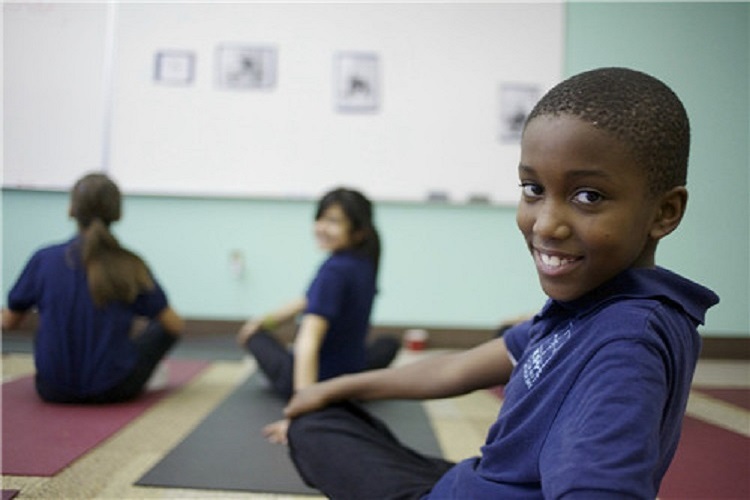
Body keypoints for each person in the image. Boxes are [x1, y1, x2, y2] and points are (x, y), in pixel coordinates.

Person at [281, 67, 720, 499]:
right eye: (532, 188)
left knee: (317, 433)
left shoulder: (625, 344)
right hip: (480, 480)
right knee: (322, 417)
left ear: (665, 212)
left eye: (589, 196)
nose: (546, 225)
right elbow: (454, 369)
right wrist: (328, 389)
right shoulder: (593, 307)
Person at [2, 173, 184, 404]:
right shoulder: (130, 264)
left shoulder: (43, 259)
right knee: (161, 328)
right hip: (116, 388)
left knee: (46, 319)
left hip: (52, 388)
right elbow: (174, 325)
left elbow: (9, 322)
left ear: (71, 209)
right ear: (117, 214)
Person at [236, 187, 399, 443]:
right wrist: (263, 321)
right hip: (349, 381)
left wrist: (300, 413)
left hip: (317, 383)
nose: (321, 227)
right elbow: (307, 301)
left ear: (358, 232)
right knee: (389, 342)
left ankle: (301, 391)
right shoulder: (364, 263)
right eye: (321, 218)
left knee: (253, 337)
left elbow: (308, 343)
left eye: (333, 221)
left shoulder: (332, 271)